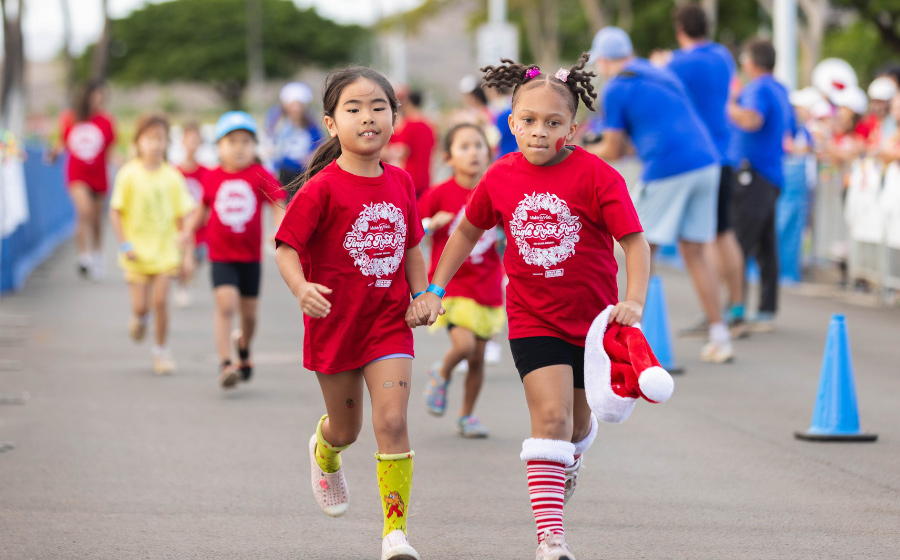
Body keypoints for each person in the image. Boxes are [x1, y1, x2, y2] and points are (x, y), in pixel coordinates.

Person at [411, 53, 651, 560]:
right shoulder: (500, 176)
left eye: (553, 122)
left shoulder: (598, 176)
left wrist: (633, 301)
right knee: (551, 418)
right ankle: (551, 539)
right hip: (530, 317)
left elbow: (635, 243)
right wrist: (435, 289)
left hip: (592, 327)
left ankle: (570, 459)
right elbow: (465, 233)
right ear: (511, 122)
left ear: (573, 128)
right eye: (529, 121)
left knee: (579, 426)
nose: (539, 132)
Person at [273, 67, 428, 560]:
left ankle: (394, 533)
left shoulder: (401, 181)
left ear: (393, 118)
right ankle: (325, 451)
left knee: (393, 422)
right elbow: (285, 248)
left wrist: (423, 295)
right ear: (331, 123)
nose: (368, 117)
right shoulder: (321, 188)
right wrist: (300, 289)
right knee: (349, 430)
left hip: (388, 324)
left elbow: (410, 248)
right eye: (354, 109)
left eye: (379, 107)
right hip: (335, 325)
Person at [586, 26, 734, 363]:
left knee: (637, 246)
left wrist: (582, 148)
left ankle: (625, 338)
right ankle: (720, 334)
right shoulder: (661, 73)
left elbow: (613, 147)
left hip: (669, 167)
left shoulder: (618, 87)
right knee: (695, 250)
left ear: (606, 60)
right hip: (707, 162)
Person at [182, 111, 285, 389]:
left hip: (250, 258)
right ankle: (225, 362)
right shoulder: (212, 177)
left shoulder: (260, 174)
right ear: (218, 147)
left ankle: (243, 345)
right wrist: (187, 235)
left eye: (245, 142)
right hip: (221, 256)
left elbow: (278, 202)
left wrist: (278, 229)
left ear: (255, 147)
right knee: (225, 305)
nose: (239, 148)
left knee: (249, 315)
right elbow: (202, 209)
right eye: (232, 142)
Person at [666, 3, 748, 338]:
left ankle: (714, 311)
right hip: (727, 151)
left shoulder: (678, 62)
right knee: (724, 234)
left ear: (680, 28)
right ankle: (737, 306)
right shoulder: (722, 56)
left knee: (700, 241)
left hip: (697, 155)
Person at [418, 123, 504, 438]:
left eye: (479, 146)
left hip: (487, 286)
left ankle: (467, 415)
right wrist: (429, 223)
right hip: (452, 287)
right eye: (464, 147)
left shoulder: (497, 190)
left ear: (490, 153)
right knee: (465, 346)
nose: (473, 153)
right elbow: (411, 231)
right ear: (448, 157)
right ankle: (441, 372)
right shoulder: (439, 193)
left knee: (478, 358)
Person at [109, 114, 194, 374]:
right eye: (149, 138)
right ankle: (139, 317)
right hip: (136, 253)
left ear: (167, 142)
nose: (155, 144)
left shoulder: (172, 177)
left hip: (165, 252)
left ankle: (161, 352)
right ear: (138, 142)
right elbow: (116, 211)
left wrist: (186, 247)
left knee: (160, 301)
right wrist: (124, 244)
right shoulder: (128, 174)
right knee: (141, 306)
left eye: (160, 138)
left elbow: (186, 214)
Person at [727, 38, 794, 331]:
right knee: (766, 245)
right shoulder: (780, 89)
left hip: (754, 175)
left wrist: (727, 106)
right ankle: (765, 311)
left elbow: (752, 120)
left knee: (738, 243)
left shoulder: (758, 88)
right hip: (771, 174)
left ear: (752, 63)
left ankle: (735, 308)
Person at [55, 80, 116, 280]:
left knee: (96, 219)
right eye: (97, 94)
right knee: (84, 212)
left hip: (98, 175)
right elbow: (62, 142)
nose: (100, 98)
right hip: (77, 174)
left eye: (102, 95)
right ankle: (83, 256)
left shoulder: (106, 121)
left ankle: (97, 254)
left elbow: (111, 150)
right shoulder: (70, 118)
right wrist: (53, 154)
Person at [174, 122, 210, 308]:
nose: (192, 144)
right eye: (189, 140)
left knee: (197, 259)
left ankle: (186, 281)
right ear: (182, 142)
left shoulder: (206, 172)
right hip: (178, 225)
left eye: (196, 141)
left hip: (201, 227)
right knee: (182, 259)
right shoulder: (174, 172)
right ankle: (182, 285)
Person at [385, 89, 437, 197]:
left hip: (410, 178)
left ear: (408, 103)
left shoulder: (408, 125)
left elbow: (402, 151)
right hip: (425, 178)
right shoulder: (429, 125)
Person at [271, 82, 324, 187]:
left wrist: (311, 157)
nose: (296, 109)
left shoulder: (311, 126)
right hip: (283, 170)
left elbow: (319, 143)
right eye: (292, 105)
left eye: (299, 105)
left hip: (303, 171)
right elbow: (272, 144)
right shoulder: (279, 124)